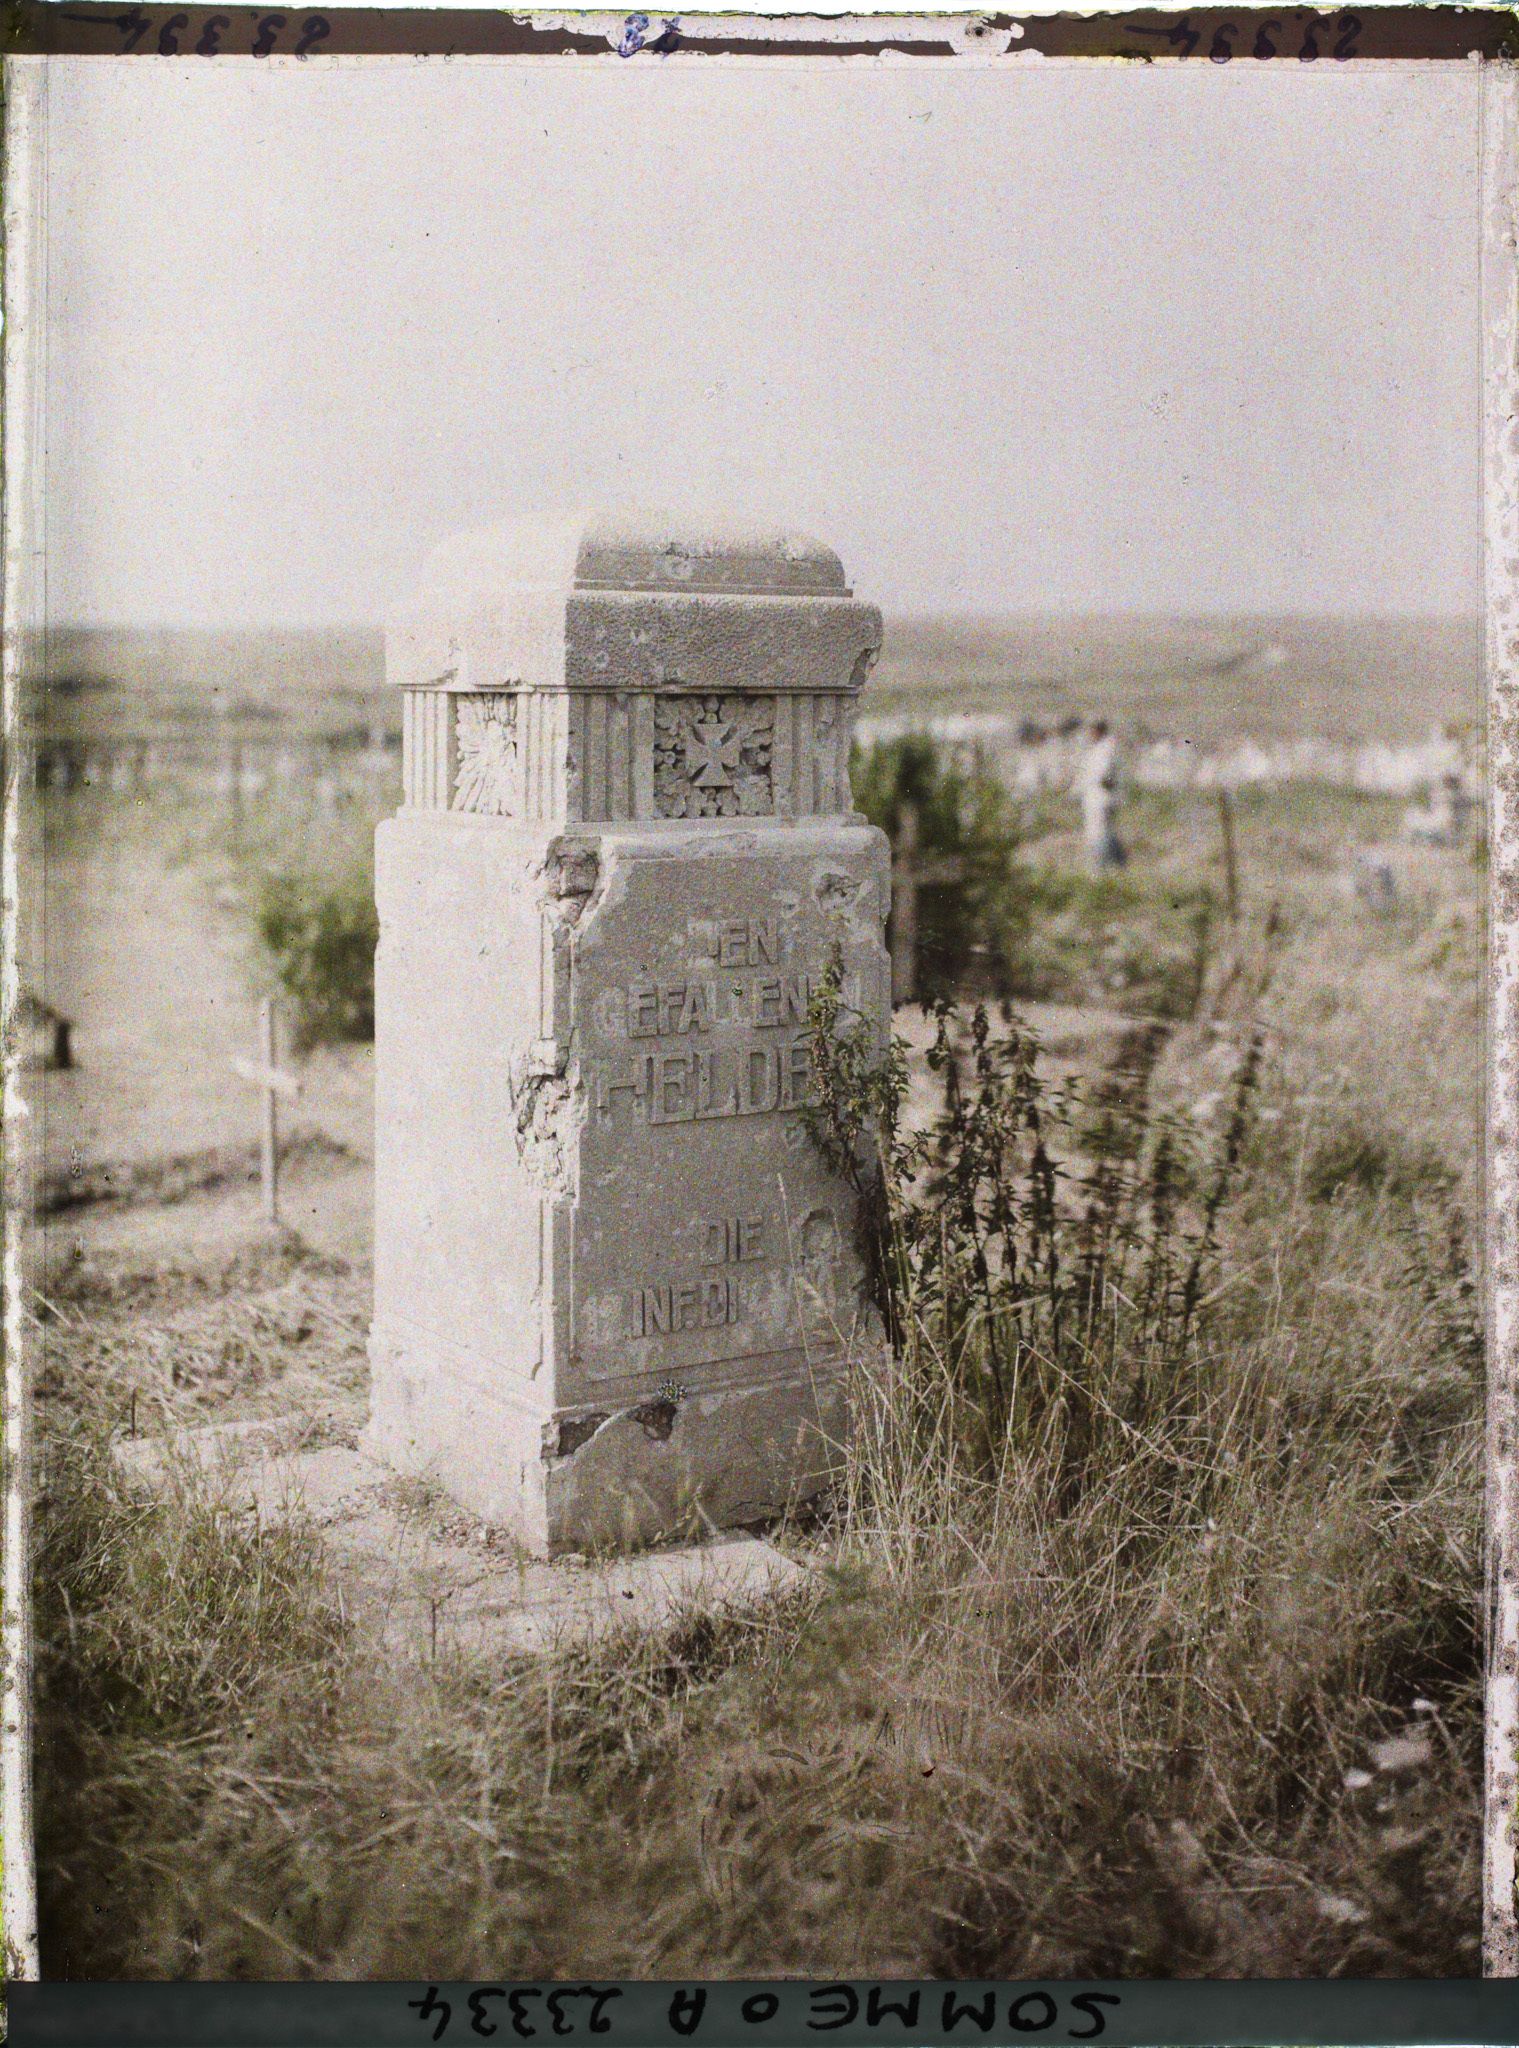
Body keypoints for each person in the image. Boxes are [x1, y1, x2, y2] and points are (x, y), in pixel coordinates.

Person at [1076, 718, 1126, 870]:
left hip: (1101, 797)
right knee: (1100, 831)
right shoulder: (1098, 749)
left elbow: (1103, 775)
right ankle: (1110, 863)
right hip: (1095, 797)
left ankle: (1101, 866)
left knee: (1099, 832)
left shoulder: (1106, 749)